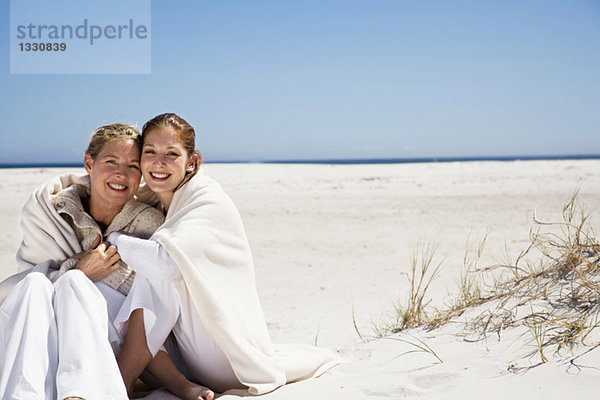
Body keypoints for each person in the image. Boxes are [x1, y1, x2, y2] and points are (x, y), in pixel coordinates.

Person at [111, 113, 341, 397]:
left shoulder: (208, 200)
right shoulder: (159, 202)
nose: (159, 164)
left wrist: (116, 239)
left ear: (192, 162)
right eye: (150, 153)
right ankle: (170, 383)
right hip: (190, 357)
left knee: (159, 269)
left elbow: (166, 266)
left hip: (225, 358)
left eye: (172, 154)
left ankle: (121, 380)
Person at [0, 124, 200, 400]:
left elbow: (150, 302)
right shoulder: (55, 213)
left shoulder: (148, 224)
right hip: (46, 328)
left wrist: (77, 269)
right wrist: (80, 268)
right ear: (88, 162)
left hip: (113, 337)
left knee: (72, 282)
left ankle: (80, 394)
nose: (121, 173)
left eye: (132, 166)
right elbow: (22, 289)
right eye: (111, 161)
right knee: (35, 282)